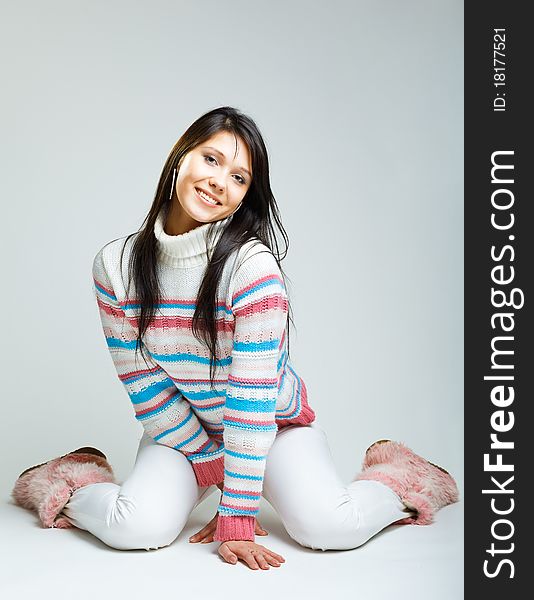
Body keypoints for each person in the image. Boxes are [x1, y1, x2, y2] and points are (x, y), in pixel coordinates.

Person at [12, 106, 459, 571]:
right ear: (180, 156)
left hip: (273, 427)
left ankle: (402, 478)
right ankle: (68, 479)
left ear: (246, 195)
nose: (219, 182)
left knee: (329, 528)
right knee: (135, 528)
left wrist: (237, 515)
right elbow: (142, 382)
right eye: (210, 159)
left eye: (240, 177)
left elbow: (251, 400)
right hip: (179, 432)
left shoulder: (252, 269)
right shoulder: (115, 265)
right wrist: (208, 461)